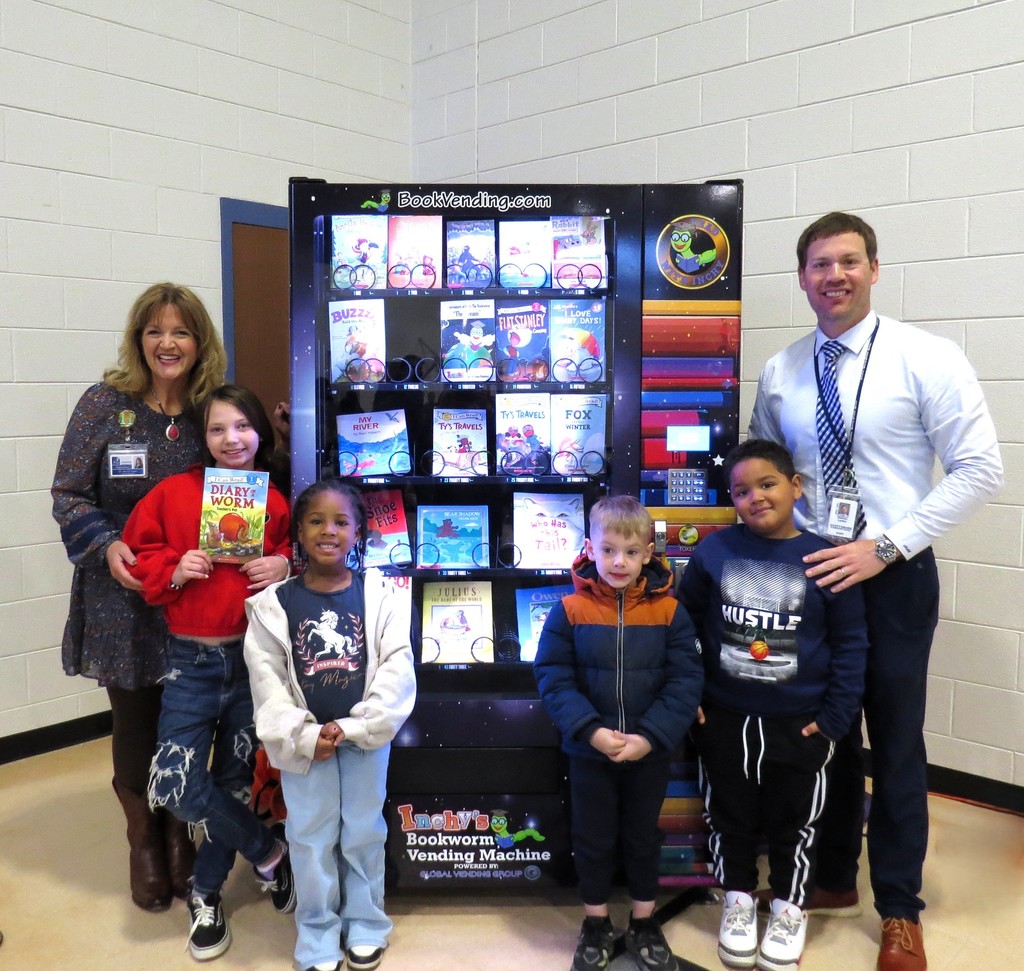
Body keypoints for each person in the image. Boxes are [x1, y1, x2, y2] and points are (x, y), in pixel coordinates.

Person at [749, 211, 1003, 971]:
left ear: (875, 269)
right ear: (801, 277)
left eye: (849, 261)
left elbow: (981, 468)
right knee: (818, 737)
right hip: (812, 577)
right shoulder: (781, 370)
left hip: (892, 574)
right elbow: (770, 470)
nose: (835, 276)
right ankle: (828, 878)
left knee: (894, 743)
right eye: (820, 264)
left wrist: (884, 545)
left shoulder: (927, 357)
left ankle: (898, 906)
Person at [51, 282, 227, 912]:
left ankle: (181, 827)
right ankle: (143, 840)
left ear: (198, 340)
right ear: (138, 340)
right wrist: (105, 546)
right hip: (120, 595)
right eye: (155, 331)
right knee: (134, 719)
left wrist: (281, 432)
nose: (167, 343)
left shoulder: (213, 407)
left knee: (189, 712)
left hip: (196, 595)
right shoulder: (104, 404)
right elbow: (69, 494)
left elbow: (251, 469)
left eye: (180, 331)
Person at [675, 439, 869, 971]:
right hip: (723, 716)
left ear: (795, 486)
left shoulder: (824, 557)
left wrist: (834, 719)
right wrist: (689, 693)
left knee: (796, 823)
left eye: (767, 484)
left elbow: (852, 646)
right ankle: (737, 899)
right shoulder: (714, 552)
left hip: (800, 723)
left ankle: (788, 908)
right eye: (741, 490)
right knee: (728, 814)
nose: (755, 497)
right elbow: (683, 625)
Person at [122, 384, 294, 961]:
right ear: (203, 437)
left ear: (260, 434)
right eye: (218, 429)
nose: (232, 439)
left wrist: (284, 564)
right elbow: (137, 550)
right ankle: (268, 852)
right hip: (190, 661)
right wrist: (175, 567)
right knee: (173, 783)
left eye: (243, 427)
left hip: (253, 661)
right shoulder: (174, 492)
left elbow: (308, 556)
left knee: (235, 784)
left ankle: (206, 893)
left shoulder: (272, 500)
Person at [244, 480, 416, 971]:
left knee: (363, 829)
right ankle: (317, 932)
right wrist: (302, 735)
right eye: (317, 521)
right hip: (304, 748)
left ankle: (366, 922)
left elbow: (397, 672)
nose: (329, 531)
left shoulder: (380, 596)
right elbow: (267, 682)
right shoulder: (273, 605)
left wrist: (355, 728)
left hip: (363, 741)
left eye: (341, 522)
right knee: (310, 835)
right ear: (298, 531)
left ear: (359, 531)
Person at [534, 495, 703, 971]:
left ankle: (645, 920)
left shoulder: (671, 612)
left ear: (648, 553)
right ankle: (595, 920)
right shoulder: (568, 610)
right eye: (608, 550)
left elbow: (686, 680)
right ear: (590, 547)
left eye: (630, 552)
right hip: (589, 754)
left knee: (642, 838)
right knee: (592, 837)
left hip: (649, 753)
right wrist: (590, 731)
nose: (618, 562)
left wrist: (649, 737)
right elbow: (553, 676)